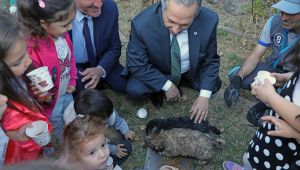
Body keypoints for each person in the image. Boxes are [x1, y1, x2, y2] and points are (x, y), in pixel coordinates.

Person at [123, 0, 221, 124]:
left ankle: (181, 82)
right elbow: (135, 63)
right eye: (171, 21)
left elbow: (211, 60)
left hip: (190, 70)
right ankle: (163, 87)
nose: (175, 30)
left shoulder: (210, 20)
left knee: (213, 85)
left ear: (196, 14)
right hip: (159, 70)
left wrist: (204, 96)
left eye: (184, 24)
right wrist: (166, 85)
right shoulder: (142, 24)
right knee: (135, 90)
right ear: (163, 7)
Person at [223, 39, 300, 170]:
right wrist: (290, 77)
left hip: (286, 155)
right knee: (252, 159)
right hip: (270, 139)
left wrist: (270, 97)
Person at [224, 0, 300, 125]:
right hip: (273, 68)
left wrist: (263, 104)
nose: (283, 16)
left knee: (292, 93)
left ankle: (270, 101)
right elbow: (256, 55)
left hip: (295, 76)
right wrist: (238, 79)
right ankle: (274, 95)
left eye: (290, 12)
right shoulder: (274, 22)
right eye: (282, 11)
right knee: (234, 74)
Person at [17, 0, 77, 142]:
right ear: (43, 23)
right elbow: (36, 85)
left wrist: (73, 79)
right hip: (51, 102)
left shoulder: (62, 35)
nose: (71, 27)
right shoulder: (33, 51)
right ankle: (64, 144)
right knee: (56, 122)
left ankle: (74, 138)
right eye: (65, 25)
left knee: (70, 114)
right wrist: (46, 98)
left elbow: (70, 58)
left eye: (71, 22)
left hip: (65, 91)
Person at [0, 11, 52, 164]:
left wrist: (42, 99)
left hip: (35, 147)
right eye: (17, 62)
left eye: (26, 52)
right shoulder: (3, 103)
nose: (28, 61)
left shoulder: (19, 78)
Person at [71, 0, 127, 95]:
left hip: (101, 60)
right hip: (74, 66)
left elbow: (114, 47)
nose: (99, 4)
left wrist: (100, 69)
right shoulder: (58, 12)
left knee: (125, 85)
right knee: (87, 97)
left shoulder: (109, 7)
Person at [74, 89, 134, 166]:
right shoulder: (83, 132)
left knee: (126, 146)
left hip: (100, 139)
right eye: (102, 121)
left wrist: (126, 131)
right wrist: (113, 150)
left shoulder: (103, 109)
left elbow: (117, 119)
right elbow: (96, 147)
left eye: (106, 117)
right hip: (91, 150)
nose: (105, 121)